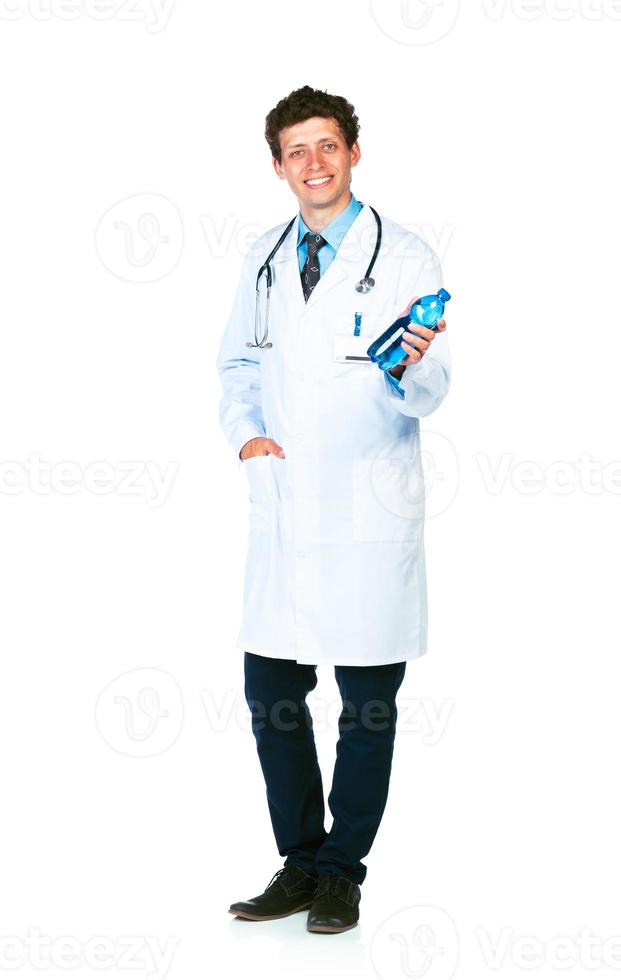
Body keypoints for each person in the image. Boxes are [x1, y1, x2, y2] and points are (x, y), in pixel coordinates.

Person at [215, 85, 451, 934]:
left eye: (327, 146)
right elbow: (239, 365)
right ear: (278, 167)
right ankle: (298, 859)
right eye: (295, 151)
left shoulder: (408, 257)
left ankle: (342, 869)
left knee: (366, 704)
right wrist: (247, 438)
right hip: (285, 511)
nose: (313, 164)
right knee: (269, 692)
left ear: (353, 152)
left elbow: (431, 389)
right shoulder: (263, 256)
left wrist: (406, 369)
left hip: (367, 505)